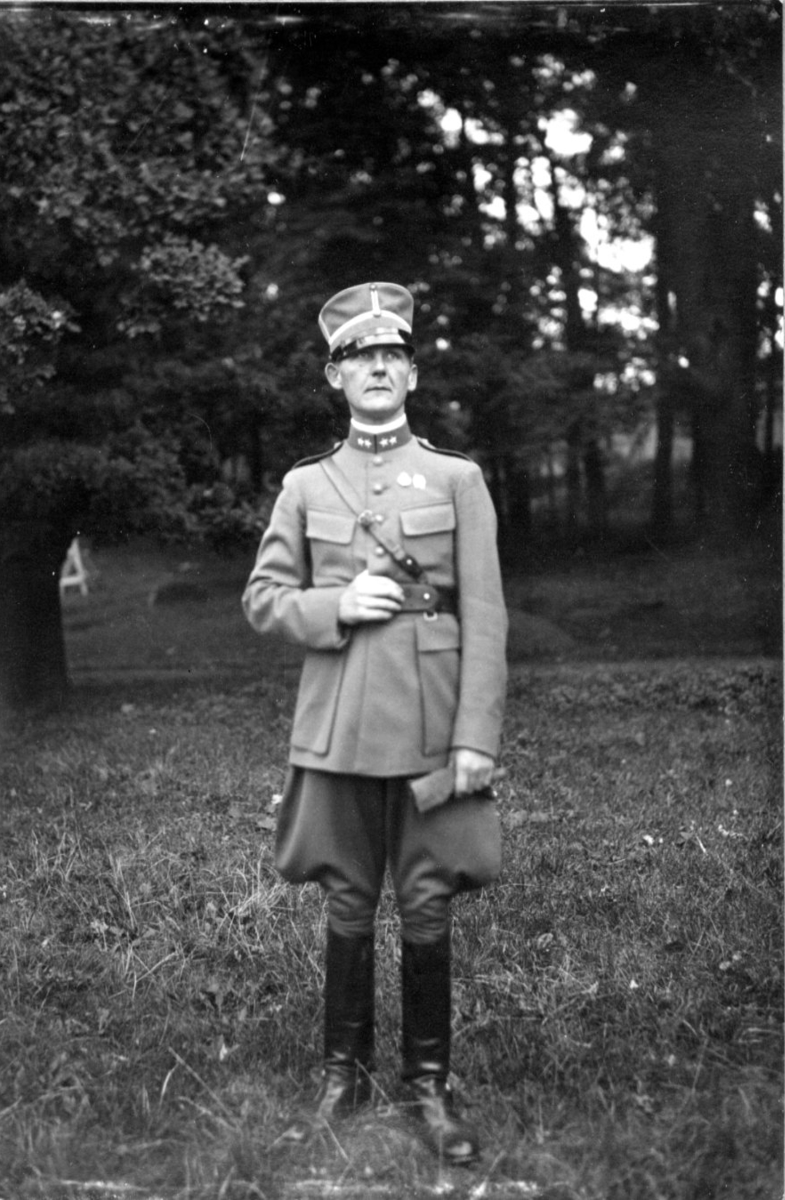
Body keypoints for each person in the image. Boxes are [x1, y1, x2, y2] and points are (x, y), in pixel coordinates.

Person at [242, 281, 508, 1164]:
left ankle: (428, 1085)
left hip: (432, 725)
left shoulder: (457, 479)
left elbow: (486, 616)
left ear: (413, 374)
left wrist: (475, 737)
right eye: (361, 358)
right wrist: (336, 604)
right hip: (339, 720)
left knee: (426, 898)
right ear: (335, 377)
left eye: (393, 355)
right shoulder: (305, 485)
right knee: (347, 897)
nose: (379, 369)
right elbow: (263, 599)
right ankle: (341, 1077)